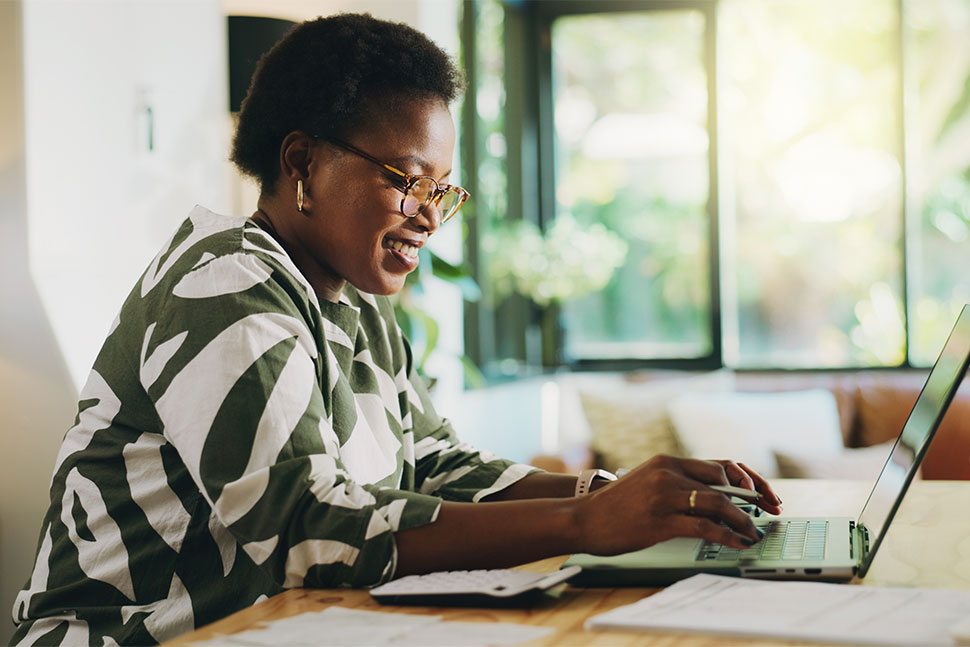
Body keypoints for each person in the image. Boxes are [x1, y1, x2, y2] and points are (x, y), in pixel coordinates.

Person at [11, 13, 781, 646]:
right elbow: (303, 529)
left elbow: (439, 466)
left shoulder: (357, 316)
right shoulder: (225, 282)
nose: (429, 215)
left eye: (442, 191)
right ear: (302, 163)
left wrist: (617, 491)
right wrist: (587, 520)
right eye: (409, 180)